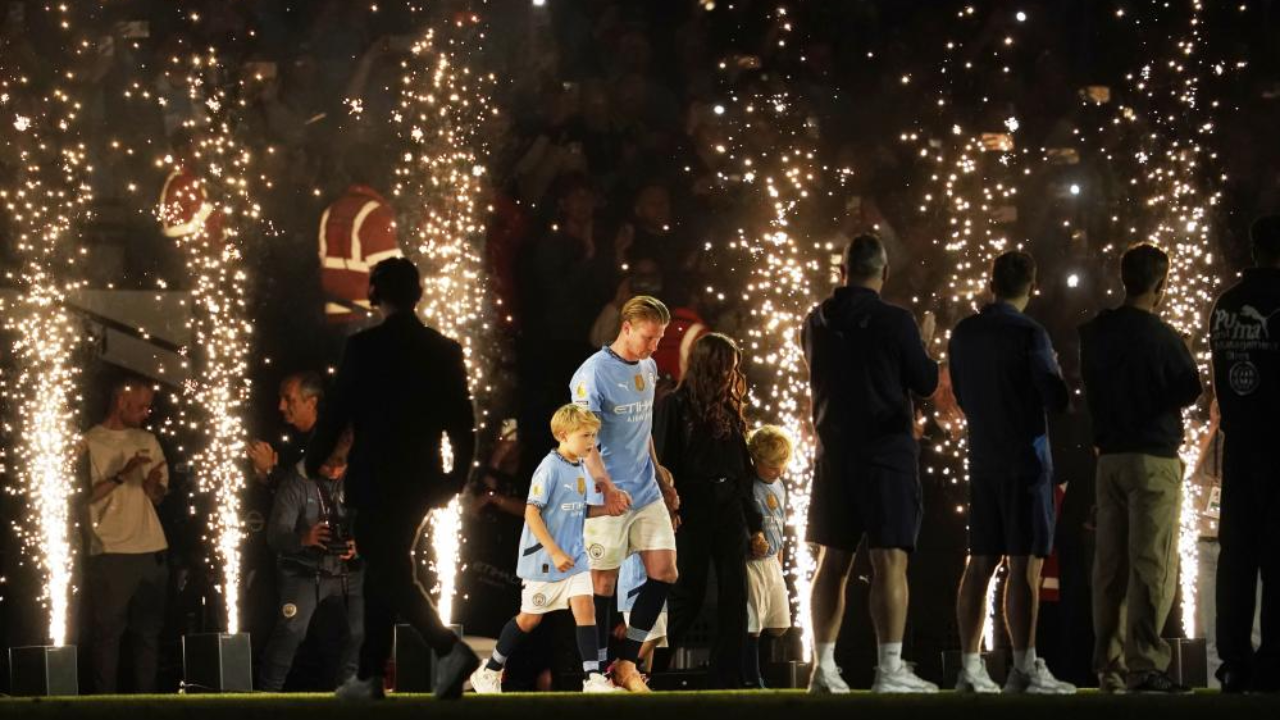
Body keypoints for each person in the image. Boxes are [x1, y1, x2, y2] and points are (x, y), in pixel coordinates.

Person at [306, 257, 479, 700]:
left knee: (387, 569)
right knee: (386, 568)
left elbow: (337, 410)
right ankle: (369, 675)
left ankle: (446, 648)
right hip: (421, 478)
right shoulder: (444, 350)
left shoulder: (364, 347)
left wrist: (314, 458)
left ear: (375, 294)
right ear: (417, 294)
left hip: (376, 476)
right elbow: (462, 424)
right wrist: (454, 478)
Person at [801, 234, 939, 694]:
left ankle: (822, 667)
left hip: (833, 454)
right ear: (883, 272)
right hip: (885, 455)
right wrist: (925, 342)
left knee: (832, 559)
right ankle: (890, 669)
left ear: (842, 270)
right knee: (890, 560)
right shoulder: (896, 320)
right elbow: (923, 382)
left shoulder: (815, 321)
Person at [948, 251, 1075, 694]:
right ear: (1031, 285)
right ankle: (1023, 668)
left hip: (983, 457)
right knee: (1024, 566)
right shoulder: (1030, 333)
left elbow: (961, 396)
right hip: (1026, 461)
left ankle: (969, 666)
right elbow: (1055, 398)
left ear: (991, 283)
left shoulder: (964, 332)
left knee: (980, 561)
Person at [1080, 242, 1202, 693]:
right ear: (1160, 284)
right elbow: (1189, 389)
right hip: (1153, 458)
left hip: (1108, 457)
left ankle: (1107, 662)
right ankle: (1145, 663)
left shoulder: (1095, 333)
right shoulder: (1162, 336)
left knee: (1109, 566)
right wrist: (1184, 352)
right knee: (1151, 564)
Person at [469, 405, 621, 694]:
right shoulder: (549, 468)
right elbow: (531, 513)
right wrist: (554, 552)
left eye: (593, 436)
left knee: (586, 611)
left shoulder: (578, 466)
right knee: (530, 619)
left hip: (575, 557)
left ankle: (593, 678)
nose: (591, 442)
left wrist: (607, 509)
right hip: (545, 561)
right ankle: (489, 671)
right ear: (564, 435)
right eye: (586, 435)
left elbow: (576, 511)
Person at [571, 294, 680, 693]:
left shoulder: (648, 367)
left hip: (645, 491)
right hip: (607, 495)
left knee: (665, 572)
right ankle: (595, 673)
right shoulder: (593, 373)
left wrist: (660, 473)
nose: (655, 347)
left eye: (660, 339)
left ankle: (627, 662)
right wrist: (606, 487)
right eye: (650, 338)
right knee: (602, 585)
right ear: (627, 328)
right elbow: (584, 441)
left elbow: (644, 427)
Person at [654, 332, 762, 688]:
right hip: (692, 507)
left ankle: (726, 675)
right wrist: (671, 508)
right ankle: (651, 666)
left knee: (736, 593)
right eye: (726, 366)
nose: (731, 373)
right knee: (689, 591)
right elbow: (664, 463)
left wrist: (754, 523)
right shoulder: (676, 404)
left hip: (728, 505)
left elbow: (741, 471)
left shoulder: (730, 409)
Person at [1209, 214, 1280, 693]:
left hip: (1238, 445)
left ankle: (1233, 659)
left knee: (1236, 556)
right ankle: (1274, 660)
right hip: (1278, 446)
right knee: (1277, 557)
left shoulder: (1226, 304)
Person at [257, 420, 364, 691]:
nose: (334, 470)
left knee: (359, 631)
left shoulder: (358, 477)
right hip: (302, 569)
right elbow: (275, 536)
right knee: (291, 632)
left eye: (341, 465)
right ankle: (265, 696)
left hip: (344, 570)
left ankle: (346, 694)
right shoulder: (297, 482)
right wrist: (304, 539)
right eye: (328, 464)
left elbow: (378, 523)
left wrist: (357, 545)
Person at [82, 378, 169, 694]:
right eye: (141, 406)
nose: (147, 412)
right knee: (108, 634)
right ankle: (105, 704)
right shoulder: (89, 442)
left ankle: (146, 702)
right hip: (111, 550)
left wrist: (152, 486)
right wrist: (123, 474)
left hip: (151, 548)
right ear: (121, 402)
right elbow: (84, 497)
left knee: (148, 633)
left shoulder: (148, 440)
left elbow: (157, 496)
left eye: (149, 406)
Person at [318, 148, 402, 327]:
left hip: (332, 319)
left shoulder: (330, 211)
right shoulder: (374, 214)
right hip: (366, 321)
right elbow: (391, 277)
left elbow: (325, 264)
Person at [744, 425, 794, 689]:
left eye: (782, 467)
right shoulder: (749, 486)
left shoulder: (780, 485)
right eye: (773, 467)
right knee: (753, 621)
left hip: (772, 561)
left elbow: (781, 525)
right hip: (752, 564)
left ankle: (757, 670)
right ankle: (752, 677)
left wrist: (780, 561)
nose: (779, 472)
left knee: (777, 624)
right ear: (757, 460)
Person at [615, 553, 668, 674]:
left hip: (658, 579)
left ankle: (642, 684)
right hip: (636, 580)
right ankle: (621, 669)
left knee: (650, 641)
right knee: (654, 636)